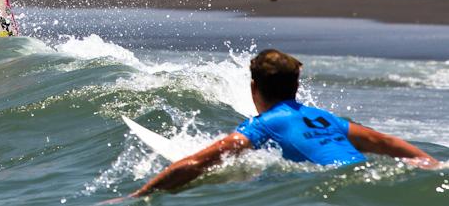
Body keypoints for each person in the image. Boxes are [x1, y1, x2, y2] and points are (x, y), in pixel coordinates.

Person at [119, 49, 439, 199]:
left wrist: (138, 195)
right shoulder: (324, 117)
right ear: (295, 87)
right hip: (370, 180)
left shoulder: (264, 126)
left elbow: (194, 164)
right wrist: (433, 164)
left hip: (336, 190)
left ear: (253, 88)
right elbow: (387, 143)